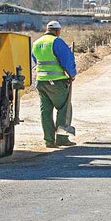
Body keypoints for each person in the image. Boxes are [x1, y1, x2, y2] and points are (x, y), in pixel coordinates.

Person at [32, 20, 77, 148]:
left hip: (41, 82)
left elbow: (36, 61)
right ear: (58, 31)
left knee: (45, 111)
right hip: (56, 82)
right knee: (64, 108)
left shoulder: (36, 43)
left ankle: (49, 140)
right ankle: (62, 138)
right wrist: (72, 74)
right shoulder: (56, 42)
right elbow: (67, 61)